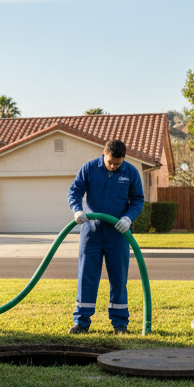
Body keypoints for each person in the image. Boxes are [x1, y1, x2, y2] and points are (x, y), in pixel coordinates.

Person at [66, 139, 145, 334]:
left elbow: (138, 199)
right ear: (104, 154)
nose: (113, 166)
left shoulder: (130, 172)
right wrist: (77, 210)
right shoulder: (89, 169)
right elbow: (74, 191)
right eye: (110, 162)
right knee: (87, 276)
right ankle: (81, 322)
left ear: (123, 159)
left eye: (117, 163)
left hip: (118, 233)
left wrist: (128, 218)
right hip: (91, 232)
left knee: (119, 278)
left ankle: (120, 324)